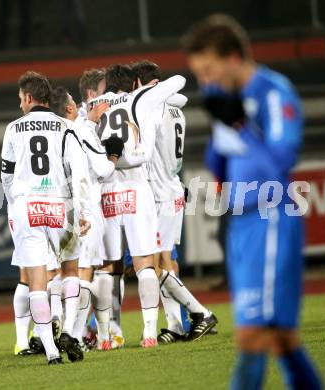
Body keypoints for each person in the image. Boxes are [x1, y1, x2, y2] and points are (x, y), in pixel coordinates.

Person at [182, 14, 322, 389]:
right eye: (200, 75)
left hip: (271, 217)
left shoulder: (273, 92)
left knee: (252, 337)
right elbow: (220, 165)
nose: (205, 82)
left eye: (209, 71)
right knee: (282, 339)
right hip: (241, 223)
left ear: (232, 58)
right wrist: (222, 124)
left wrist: (241, 122)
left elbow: (281, 159)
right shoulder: (229, 101)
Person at [1, 71, 92, 365]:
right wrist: (83, 210)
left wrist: (18, 202)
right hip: (59, 205)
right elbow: (77, 173)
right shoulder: (65, 127)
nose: (19, 105)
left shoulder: (13, 129)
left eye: (20, 99)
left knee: (36, 282)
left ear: (29, 98)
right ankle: (68, 330)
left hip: (28, 207)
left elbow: (6, 177)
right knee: (70, 271)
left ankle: (51, 351)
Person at [93, 64, 186, 347]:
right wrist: (151, 89)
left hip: (107, 191)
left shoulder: (95, 106)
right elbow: (180, 81)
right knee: (146, 263)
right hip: (137, 188)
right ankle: (148, 333)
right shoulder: (140, 97)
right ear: (134, 82)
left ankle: (107, 336)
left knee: (109, 267)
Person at [132, 60, 218, 343]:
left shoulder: (152, 108)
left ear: (143, 84)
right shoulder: (177, 110)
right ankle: (176, 325)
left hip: (159, 194)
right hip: (172, 188)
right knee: (165, 261)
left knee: (154, 264)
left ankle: (200, 312)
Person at [50, 84, 123, 351]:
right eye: (74, 102)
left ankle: (55, 325)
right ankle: (75, 333)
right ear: (69, 108)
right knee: (83, 274)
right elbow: (103, 170)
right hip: (85, 209)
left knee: (60, 273)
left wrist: (90, 120)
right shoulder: (79, 131)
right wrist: (114, 154)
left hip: (57, 210)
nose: (80, 106)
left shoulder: (54, 133)